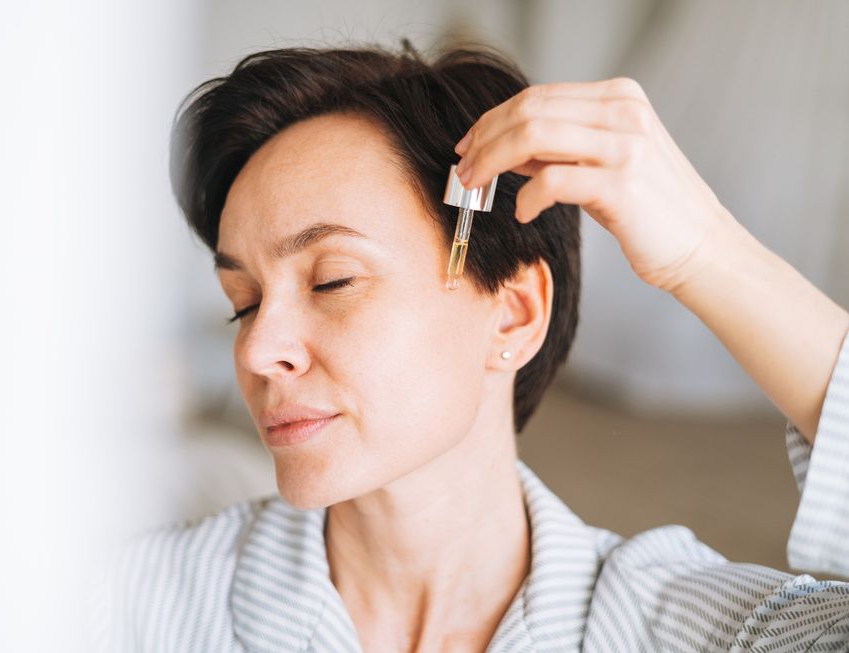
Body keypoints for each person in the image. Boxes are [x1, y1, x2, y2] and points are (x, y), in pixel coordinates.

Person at [89, 41, 849, 652]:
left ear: (513, 315)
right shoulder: (125, 606)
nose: (258, 351)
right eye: (243, 303)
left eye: (331, 279)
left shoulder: (687, 624)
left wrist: (708, 253)